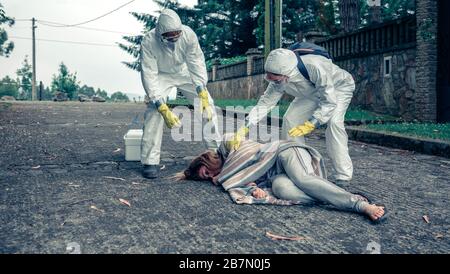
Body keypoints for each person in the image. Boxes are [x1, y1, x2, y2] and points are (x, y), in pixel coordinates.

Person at [180, 135, 388, 224]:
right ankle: (333, 196)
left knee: (303, 179)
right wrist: (254, 191)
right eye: (207, 179)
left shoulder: (226, 147)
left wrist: (223, 179)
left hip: (284, 153)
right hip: (276, 176)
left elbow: (247, 154)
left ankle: (359, 204)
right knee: (282, 189)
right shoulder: (234, 176)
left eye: (207, 173)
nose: (213, 178)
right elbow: (248, 181)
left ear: (207, 161)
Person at [227, 48, 355, 187]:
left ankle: (343, 175)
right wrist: (244, 128)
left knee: (334, 123)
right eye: (268, 76)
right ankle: (301, 168)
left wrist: (312, 123)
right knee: (290, 120)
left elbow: (329, 101)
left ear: (287, 74)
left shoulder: (314, 66)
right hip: (311, 94)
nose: (270, 80)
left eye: (274, 76)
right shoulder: (277, 81)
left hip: (338, 88)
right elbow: (265, 104)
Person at [139, 9, 221, 179]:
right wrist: (162, 106)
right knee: (154, 111)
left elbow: (196, 62)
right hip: (160, 75)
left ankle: (215, 154)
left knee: (207, 107)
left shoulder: (189, 35)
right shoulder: (148, 41)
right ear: (160, 33)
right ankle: (150, 161)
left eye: (177, 34)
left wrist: (201, 90)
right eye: (170, 35)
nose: (174, 37)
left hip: (184, 72)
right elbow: (149, 73)